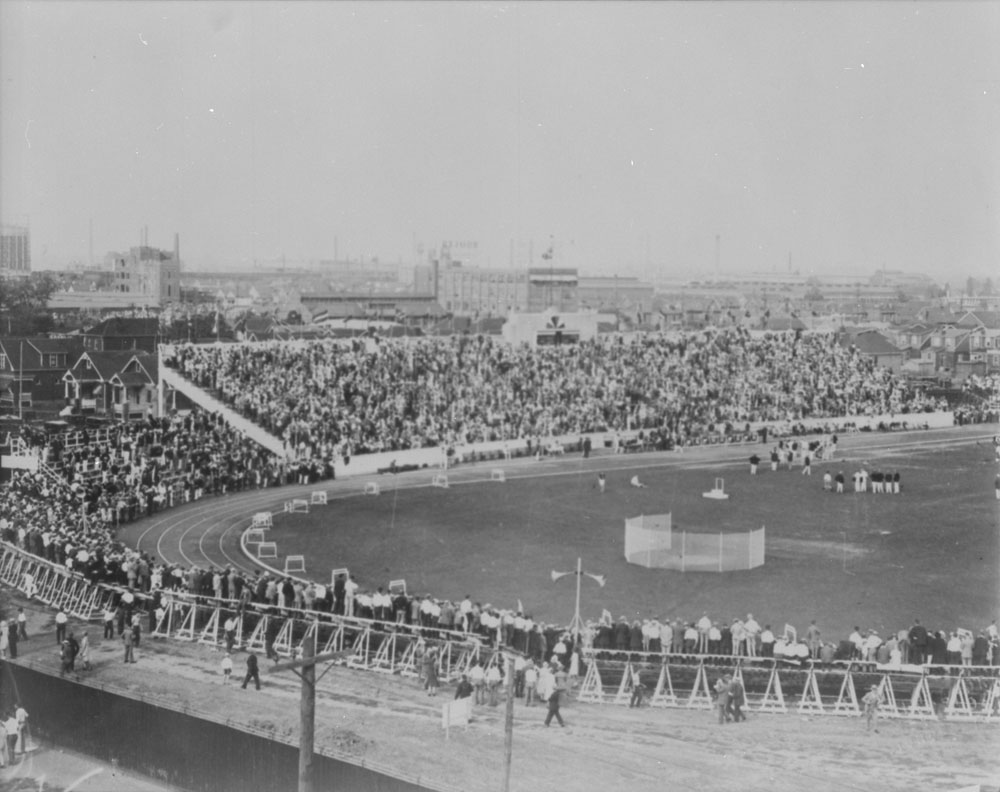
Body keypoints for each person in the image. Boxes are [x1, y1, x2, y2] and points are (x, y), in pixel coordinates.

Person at [544, 662, 566, 727]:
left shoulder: (556, 674)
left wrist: (548, 700)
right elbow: (565, 680)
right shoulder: (564, 674)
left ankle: (547, 723)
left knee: (551, 713)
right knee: (556, 713)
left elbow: (555, 681)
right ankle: (561, 723)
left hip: (553, 703)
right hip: (561, 690)